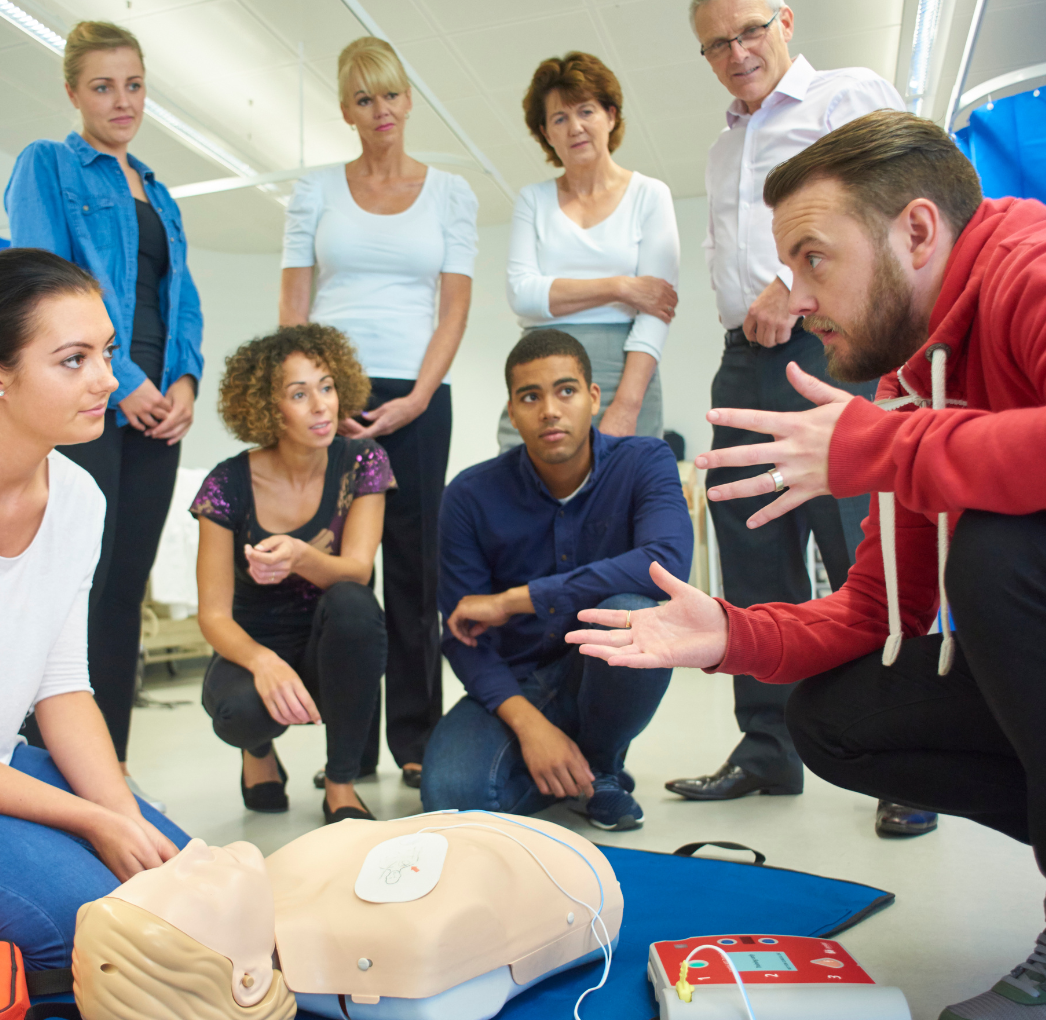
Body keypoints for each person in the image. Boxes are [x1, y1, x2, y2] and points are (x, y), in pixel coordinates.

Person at [566, 109, 1046, 1020]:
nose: (795, 294)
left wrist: (888, 449)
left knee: (998, 554)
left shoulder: (1030, 271)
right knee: (840, 715)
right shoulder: (917, 381)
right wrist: (727, 635)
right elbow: (875, 614)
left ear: (915, 231)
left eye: (813, 258)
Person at [669, 0, 928, 838]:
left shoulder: (846, 97)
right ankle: (767, 747)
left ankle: (907, 761)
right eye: (715, 44)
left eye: (749, 30)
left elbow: (907, 202)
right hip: (741, 355)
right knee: (749, 547)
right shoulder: (721, 148)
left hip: (830, 346)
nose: (736, 52)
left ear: (785, 18)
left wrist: (798, 284)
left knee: (863, 546)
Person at [0, 248, 188, 973]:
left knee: (181, 887)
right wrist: (88, 818)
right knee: (94, 933)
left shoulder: (79, 499)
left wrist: (119, 814)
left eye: (109, 353)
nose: (107, 380)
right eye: (73, 360)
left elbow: (62, 685)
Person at [4, 21, 205, 813]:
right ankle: (41, 775)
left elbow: (178, 298)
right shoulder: (49, 165)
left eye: (133, 85)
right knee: (71, 594)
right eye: (101, 86)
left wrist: (182, 379)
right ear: (72, 93)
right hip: (92, 401)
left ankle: (107, 771)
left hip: (157, 412)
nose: (121, 102)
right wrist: (119, 379)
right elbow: (45, 287)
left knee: (123, 591)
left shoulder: (158, 189)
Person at [279, 36, 476, 792]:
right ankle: (349, 747)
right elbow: (295, 304)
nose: (381, 110)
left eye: (391, 94)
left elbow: (453, 308)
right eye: (364, 99)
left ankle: (419, 736)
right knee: (341, 577)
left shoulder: (452, 193)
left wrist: (419, 398)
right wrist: (307, 396)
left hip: (417, 395)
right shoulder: (316, 190)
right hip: (331, 395)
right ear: (345, 111)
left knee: (416, 575)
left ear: (408, 98)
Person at [422, 329, 692, 830]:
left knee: (635, 614)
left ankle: (603, 761)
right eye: (531, 396)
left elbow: (668, 563)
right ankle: (580, 770)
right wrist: (528, 725)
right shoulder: (468, 496)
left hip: (599, 670)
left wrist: (517, 600)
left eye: (565, 391)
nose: (550, 409)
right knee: (452, 798)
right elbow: (461, 635)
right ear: (512, 411)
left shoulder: (643, 463)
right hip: (515, 681)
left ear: (592, 398)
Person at [193, 325, 394, 824]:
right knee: (240, 714)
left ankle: (341, 782)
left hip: (328, 645)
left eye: (326, 387)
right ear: (267, 407)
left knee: (354, 604)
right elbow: (213, 615)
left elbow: (357, 572)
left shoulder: (363, 462)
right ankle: (257, 753)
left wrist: (300, 556)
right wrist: (262, 662)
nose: (322, 405)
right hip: (252, 645)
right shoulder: (227, 483)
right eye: (299, 394)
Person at [501, 52, 679, 451]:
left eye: (586, 111)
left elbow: (657, 308)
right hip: (540, 367)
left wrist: (627, 405)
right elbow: (522, 296)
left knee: (624, 498)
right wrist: (620, 287)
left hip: (628, 370)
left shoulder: (650, 195)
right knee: (524, 495)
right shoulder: (532, 200)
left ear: (611, 116)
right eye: (559, 119)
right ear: (546, 133)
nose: (575, 127)